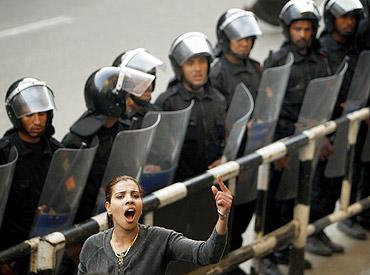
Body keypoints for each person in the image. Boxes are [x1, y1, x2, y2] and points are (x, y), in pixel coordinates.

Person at [59, 66, 154, 274]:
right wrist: (73, 237)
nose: (131, 101)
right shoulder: (78, 140)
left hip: (114, 222)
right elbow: (66, 193)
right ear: (115, 102)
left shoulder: (124, 130)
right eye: (126, 96)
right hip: (83, 227)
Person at [261, 1, 331, 273]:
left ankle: (286, 247)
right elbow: (268, 111)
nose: (303, 34)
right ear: (287, 30)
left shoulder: (319, 59)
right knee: (274, 203)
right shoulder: (277, 61)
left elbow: (324, 99)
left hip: (310, 141)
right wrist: (275, 148)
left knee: (296, 199)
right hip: (283, 142)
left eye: (307, 29)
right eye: (297, 29)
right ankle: (266, 254)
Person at [78, 175, 232, 274]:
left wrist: (223, 216)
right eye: (120, 196)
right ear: (108, 207)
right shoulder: (92, 246)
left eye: (135, 195)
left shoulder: (161, 239)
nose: (129, 199)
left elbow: (208, 254)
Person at [308, 0, 366, 256]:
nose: (349, 23)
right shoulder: (322, 49)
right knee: (319, 184)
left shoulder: (352, 48)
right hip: (327, 128)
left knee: (334, 183)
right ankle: (309, 232)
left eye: (352, 18)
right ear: (331, 19)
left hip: (347, 124)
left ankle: (321, 228)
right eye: (343, 18)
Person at [0, 77, 62, 274]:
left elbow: (70, 193)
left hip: (51, 243)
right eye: (29, 115)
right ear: (16, 116)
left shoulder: (56, 151)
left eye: (42, 113)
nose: (37, 121)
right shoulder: (4, 154)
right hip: (13, 252)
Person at [156, 32, 227, 181]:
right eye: (190, 63)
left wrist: (224, 159)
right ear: (180, 68)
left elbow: (227, 138)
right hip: (180, 186)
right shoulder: (167, 103)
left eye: (202, 62)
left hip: (215, 181)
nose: (198, 69)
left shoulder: (218, 100)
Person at [210, 8, 262, 108]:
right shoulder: (216, 74)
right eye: (239, 38)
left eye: (248, 38)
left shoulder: (256, 68)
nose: (245, 44)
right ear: (226, 39)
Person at [112, 48, 164, 129]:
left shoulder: (157, 114)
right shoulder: (112, 119)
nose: (148, 87)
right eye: (140, 81)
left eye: (150, 80)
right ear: (123, 84)